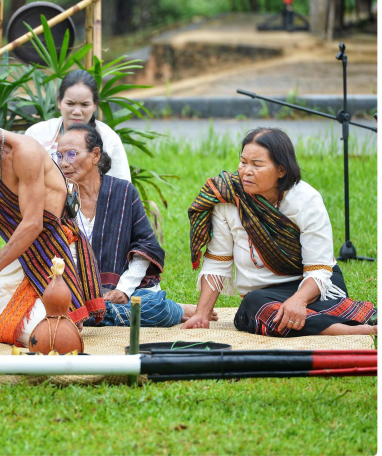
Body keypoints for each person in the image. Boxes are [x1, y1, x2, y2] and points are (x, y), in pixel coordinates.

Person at [0, 91, 104, 346]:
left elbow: (33, 223)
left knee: (43, 333)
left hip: (56, 251)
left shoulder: (25, 152)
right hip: (22, 253)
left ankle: (121, 310)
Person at [183, 127, 376, 336]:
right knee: (252, 305)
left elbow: (318, 269)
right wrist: (201, 314)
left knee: (264, 312)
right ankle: (340, 327)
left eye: (257, 165)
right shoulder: (229, 197)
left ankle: (331, 326)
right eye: (243, 162)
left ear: (281, 170)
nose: (246, 171)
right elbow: (217, 261)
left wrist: (298, 300)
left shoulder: (306, 200)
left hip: (315, 287)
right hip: (263, 298)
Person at [56, 124, 214, 326]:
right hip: (75, 291)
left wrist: (123, 289)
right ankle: (174, 310)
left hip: (126, 291)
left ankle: (99, 315)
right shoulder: (57, 197)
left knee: (151, 306)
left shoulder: (123, 192)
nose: (63, 163)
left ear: (95, 155)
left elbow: (145, 245)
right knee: (64, 309)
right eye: (59, 156)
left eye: (71, 154)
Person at [25, 69, 131, 181]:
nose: (77, 111)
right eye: (70, 103)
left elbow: (121, 188)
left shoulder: (108, 139)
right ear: (59, 101)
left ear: (95, 105)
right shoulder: (37, 134)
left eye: (85, 105)